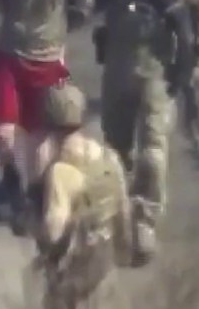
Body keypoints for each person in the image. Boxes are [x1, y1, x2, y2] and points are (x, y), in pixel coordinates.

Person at [91, 0, 199, 263]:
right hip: (119, 65)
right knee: (114, 147)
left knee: (153, 152)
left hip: (159, 72)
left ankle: (144, 218)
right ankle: (114, 212)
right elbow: (92, 0)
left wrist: (198, 66)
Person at [0, 0, 93, 234]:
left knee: (40, 138)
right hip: (10, 51)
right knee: (2, 130)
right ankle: (10, 178)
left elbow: (82, 7)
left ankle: (33, 200)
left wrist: (59, 34)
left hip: (47, 60)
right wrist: (12, 22)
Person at [22, 81, 134, 309]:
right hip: (105, 259)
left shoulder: (61, 172)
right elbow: (123, 208)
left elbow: (53, 232)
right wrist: (124, 250)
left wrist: (35, 193)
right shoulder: (109, 157)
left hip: (77, 266)